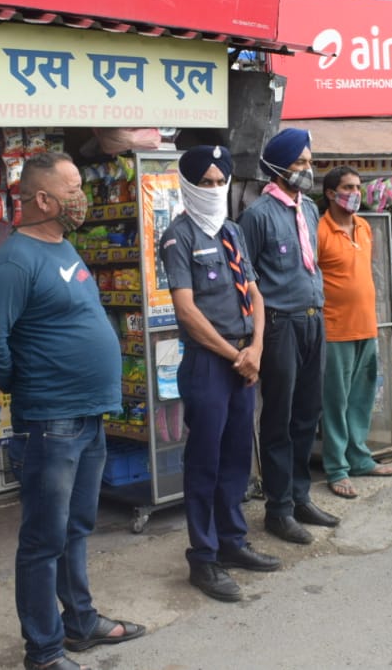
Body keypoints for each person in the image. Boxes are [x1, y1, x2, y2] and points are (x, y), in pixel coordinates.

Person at [0, 152, 143, 669]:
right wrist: (35, 389)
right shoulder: (14, 261)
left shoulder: (63, 246)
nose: (81, 197)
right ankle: (43, 651)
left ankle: (81, 623)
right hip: (53, 421)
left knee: (76, 527)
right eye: (72, 188)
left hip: (87, 417)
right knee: (43, 539)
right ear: (43, 199)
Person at [159, 146, 280, 603]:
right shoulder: (179, 236)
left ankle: (232, 541)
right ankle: (204, 557)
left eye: (219, 181)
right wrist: (237, 354)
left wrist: (258, 349)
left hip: (244, 359)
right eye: (205, 182)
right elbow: (186, 311)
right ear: (189, 185)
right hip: (212, 362)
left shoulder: (232, 231)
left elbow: (255, 292)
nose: (214, 189)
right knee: (205, 461)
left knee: (235, 456)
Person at [237, 128, 338, 545]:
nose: (307, 170)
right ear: (279, 166)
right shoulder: (257, 214)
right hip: (280, 324)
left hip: (314, 319)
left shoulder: (310, 208)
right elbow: (246, 277)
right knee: (278, 418)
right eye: (300, 163)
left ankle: (300, 496)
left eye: (309, 162)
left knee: (307, 414)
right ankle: (277, 508)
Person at [317, 165, 392, 499]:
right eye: (348, 187)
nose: (355, 193)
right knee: (335, 402)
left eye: (358, 187)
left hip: (367, 325)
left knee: (362, 399)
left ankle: (360, 458)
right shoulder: (318, 230)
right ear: (331, 193)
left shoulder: (364, 227)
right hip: (334, 329)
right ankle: (336, 468)